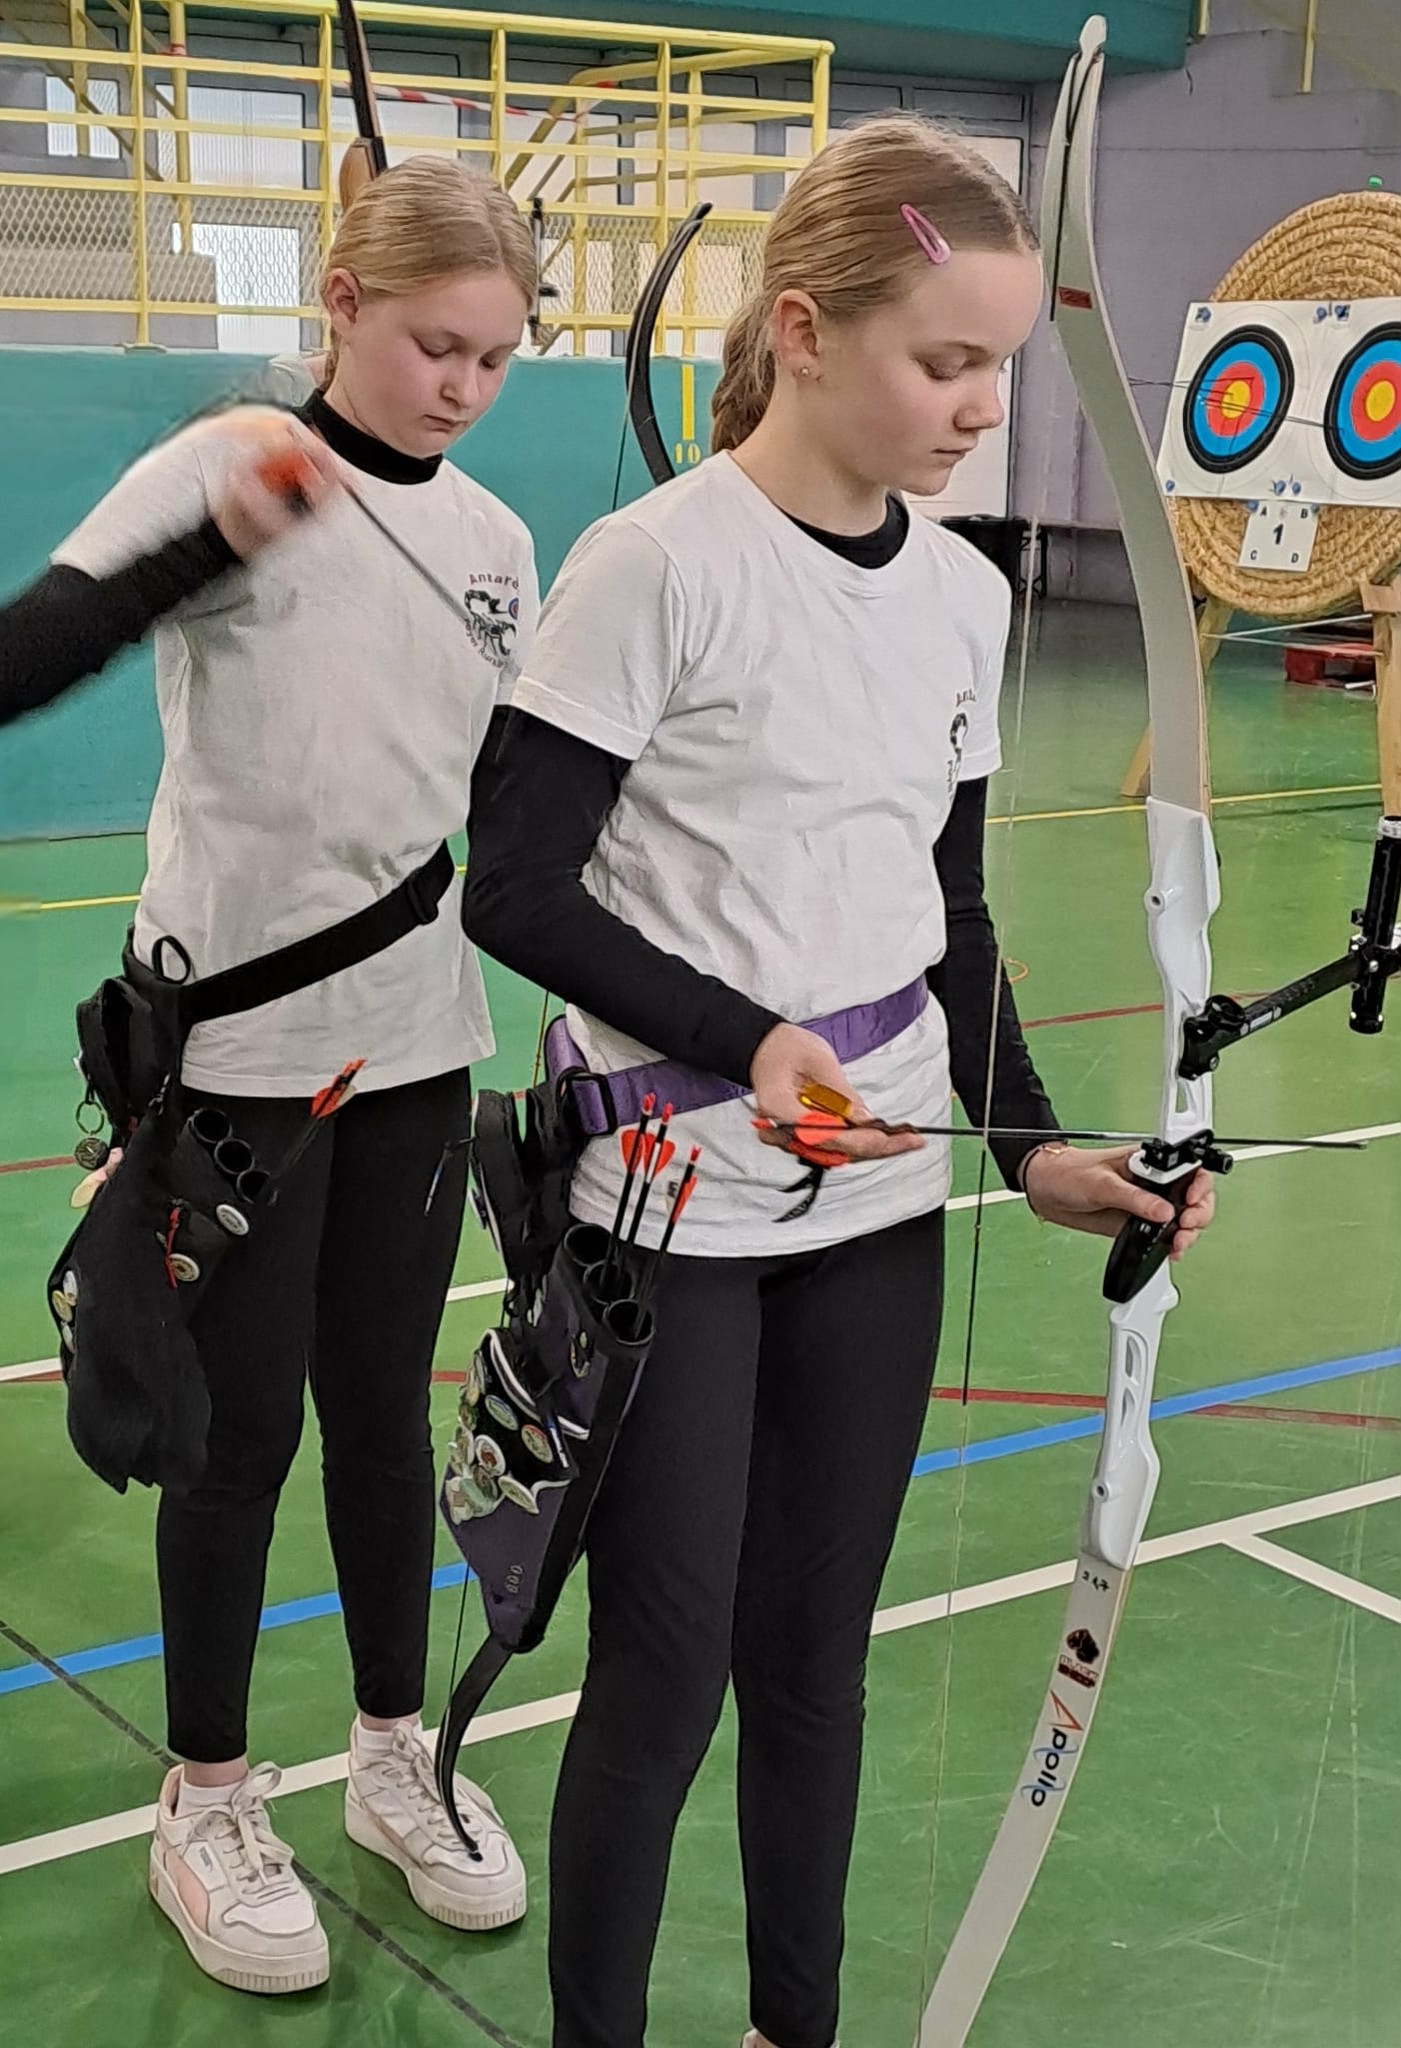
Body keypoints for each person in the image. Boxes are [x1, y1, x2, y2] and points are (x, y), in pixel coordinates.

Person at [461, 116, 1217, 2048]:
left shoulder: (960, 596)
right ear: (801, 331)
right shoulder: (655, 567)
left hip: (873, 1213)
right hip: (669, 1215)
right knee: (663, 1683)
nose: (981, 409)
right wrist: (746, 1040)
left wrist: (1030, 1146)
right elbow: (516, 888)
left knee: (812, 1664)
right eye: (943, 361)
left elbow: (944, 917)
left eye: (999, 369)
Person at [0, 153, 539, 1991]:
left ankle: (391, 1754)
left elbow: (503, 802)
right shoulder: (231, 465)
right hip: (237, 1058)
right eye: (432, 344)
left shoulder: (495, 542)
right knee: (234, 1437)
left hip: (421, 1043)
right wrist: (217, 543)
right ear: (341, 304)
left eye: (496, 358)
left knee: (382, 1414)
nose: (461, 386)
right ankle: (203, 1798)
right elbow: (3, 667)